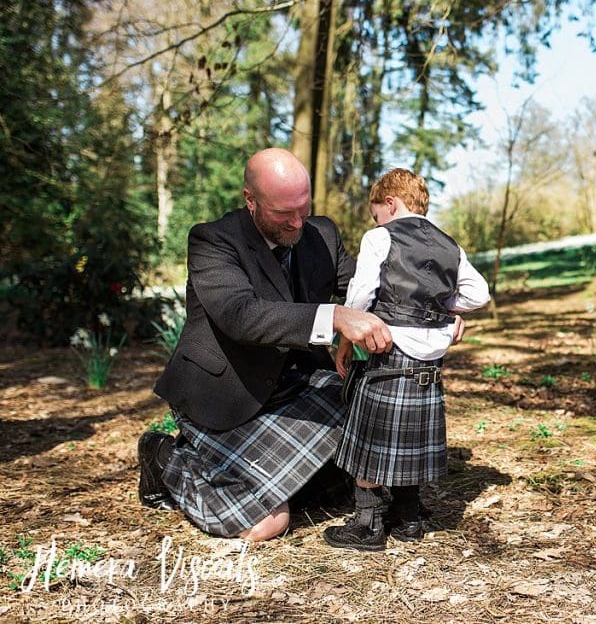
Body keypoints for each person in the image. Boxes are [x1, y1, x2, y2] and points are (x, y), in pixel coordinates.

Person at [138, 148, 397, 542]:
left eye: (303, 208)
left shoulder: (323, 234)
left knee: (374, 423)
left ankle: (305, 479)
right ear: (250, 200)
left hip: (300, 387)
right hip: (227, 399)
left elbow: (369, 293)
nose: (297, 223)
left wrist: (435, 310)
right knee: (266, 526)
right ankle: (165, 460)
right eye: (282, 214)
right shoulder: (213, 241)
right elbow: (242, 315)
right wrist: (333, 317)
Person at [323, 168, 489, 551]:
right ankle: (409, 517)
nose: (376, 221)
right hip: (430, 357)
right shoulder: (449, 244)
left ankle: (367, 525)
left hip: (390, 348)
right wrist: (443, 309)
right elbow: (478, 294)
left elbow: (361, 293)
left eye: (376, 213)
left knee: (372, 437)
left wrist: (346, 337)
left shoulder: (381, 236)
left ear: (391, 203)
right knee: (410, 438)